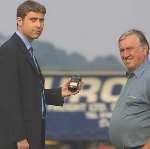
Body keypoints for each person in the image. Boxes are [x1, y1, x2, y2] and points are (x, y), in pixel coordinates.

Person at [0, 1, 80, 149]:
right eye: (33, 19)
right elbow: (8, 99)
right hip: (20, 141)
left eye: (41, 20)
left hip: (32, 135)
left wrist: (60, 92)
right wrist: (20, 137)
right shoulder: (9, 51)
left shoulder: (26, 50)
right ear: (19, 21)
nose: (39, 25)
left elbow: (28, 95)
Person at [109, 29, 150, 149]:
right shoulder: (133, 77)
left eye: (129, 49)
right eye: (122, 50)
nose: (125, 55)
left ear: (145, 49)